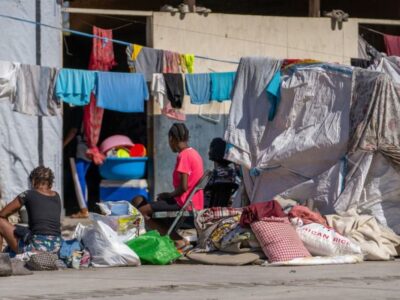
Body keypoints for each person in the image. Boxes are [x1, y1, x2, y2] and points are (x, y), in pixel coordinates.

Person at [132, 123, 204, 249]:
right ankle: (175, 238)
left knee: (142, 211)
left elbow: (183, 187)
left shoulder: (184, 156)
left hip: (184, 203)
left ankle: (178, 239)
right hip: (191, 202)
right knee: (149, 203)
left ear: (172, 138)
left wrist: (169, 195)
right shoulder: (194, 153)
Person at [0, 166, 62, 254]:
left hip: (36, 247)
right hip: (56, 247)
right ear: (50, 184)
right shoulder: (57, 196)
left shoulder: (28, 194)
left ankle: (0, 259)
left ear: (33, 181)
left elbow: (2, 214)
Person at [63, 106, 91, 218]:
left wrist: (63, 145)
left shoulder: (78, 110)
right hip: (89, 148)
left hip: (77, 149)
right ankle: (85, 207)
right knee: (82, 179)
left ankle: (84, 209)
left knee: (78, 180)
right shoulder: (89, 110)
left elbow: (74, 130)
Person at [204, 138, 239, 207]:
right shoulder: (232, 172)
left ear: (214, 151)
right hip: (224, 209)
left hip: (208, 209)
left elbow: (207, 194)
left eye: (211, 147)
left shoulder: (215, 174)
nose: (208, 150)